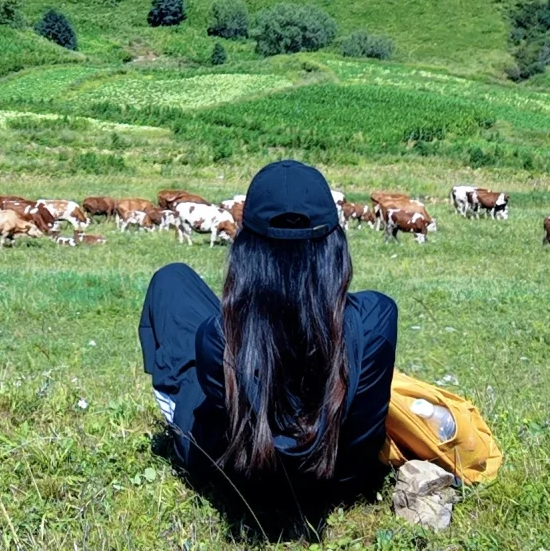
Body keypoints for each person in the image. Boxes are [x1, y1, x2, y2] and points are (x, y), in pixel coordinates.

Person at [139, 160, 397, 535]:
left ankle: (177, 405)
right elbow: (366, 427)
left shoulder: (218, 336)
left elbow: (216, 419)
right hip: (339, 479)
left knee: (172, 280)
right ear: (335, 248)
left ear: (246, 252)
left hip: (239, 481)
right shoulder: (376, 318)